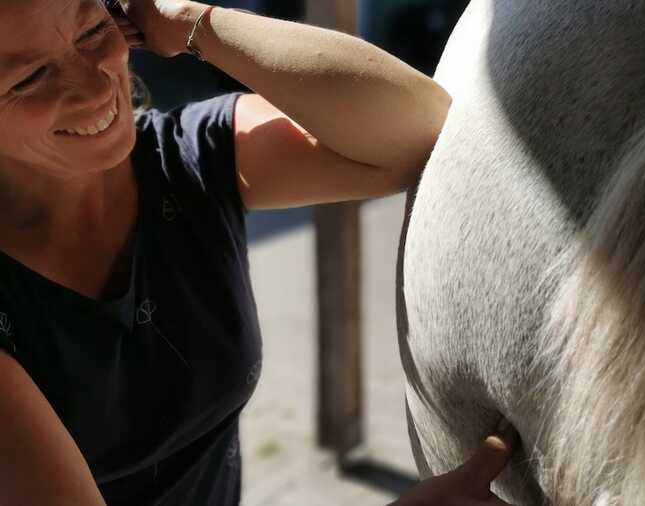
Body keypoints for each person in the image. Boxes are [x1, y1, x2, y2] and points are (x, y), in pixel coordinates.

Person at [0, 1, 516, 504]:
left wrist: (193, 23)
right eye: (29, 78)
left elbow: (422, 128)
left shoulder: (181, 159)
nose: (94, 87)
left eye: (92, 32)